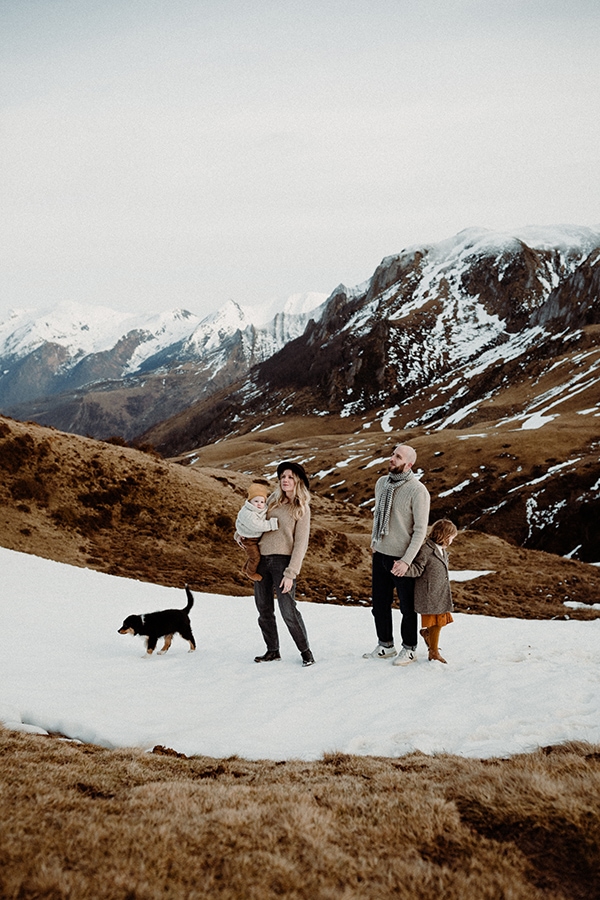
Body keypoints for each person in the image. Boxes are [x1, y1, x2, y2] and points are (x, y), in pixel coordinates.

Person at [364, 443, 430, 666]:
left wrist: (406, 561)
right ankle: (385, 645)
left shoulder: (418, 491)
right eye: (393, 454)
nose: (392, 458)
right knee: (379, 605)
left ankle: (409, 648)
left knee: (407, 608)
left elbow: (420, 530)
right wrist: (375, 544)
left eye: (398, 456)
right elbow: (378, 517)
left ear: (409, 464)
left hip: (402, 560)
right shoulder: (382, 483)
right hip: (380, 554)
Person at [253, 461, 315, 667]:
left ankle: (306, 652)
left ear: (297, 481)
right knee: (263, 608)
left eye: (290, 477)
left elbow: (301, 543)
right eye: (282, 477)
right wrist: (241, 534)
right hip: (262, 560)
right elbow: (255, 520)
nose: (285, 480)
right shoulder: (272, 500)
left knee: (288, 609)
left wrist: (291, 573)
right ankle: (272, 650)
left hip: (283, 563)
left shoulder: (302, 509)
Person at [404, 519, 458, 663]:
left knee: (440, 621)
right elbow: (417, 568)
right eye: (452, 537)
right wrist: (403, 570)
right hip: (429, 593)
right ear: (444, 536)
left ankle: (428, 635)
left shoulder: (443, 551)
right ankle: (433, 652)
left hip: (440, 592)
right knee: (436, 622)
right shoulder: (426, 550)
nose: (452, 540)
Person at [235, 483, 279, 581]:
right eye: (256, 501)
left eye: (262, 502)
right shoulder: (247, 513)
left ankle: (246, 569)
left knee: (253, 555)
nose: (259, 504)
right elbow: (257, 525)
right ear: (249, 501)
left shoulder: (260, 510)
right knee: (255, 557)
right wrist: (271, 524)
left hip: (254, 538)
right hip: (249, 540)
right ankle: (251, 573)